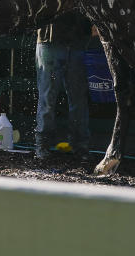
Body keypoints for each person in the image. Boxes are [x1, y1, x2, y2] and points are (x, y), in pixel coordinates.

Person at [33, 11, 94, 160]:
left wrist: (94, 23)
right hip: (50, 40)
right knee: (48, 98)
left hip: (77, 40)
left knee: (78, 99)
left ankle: (80, 146)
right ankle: (42, 145)